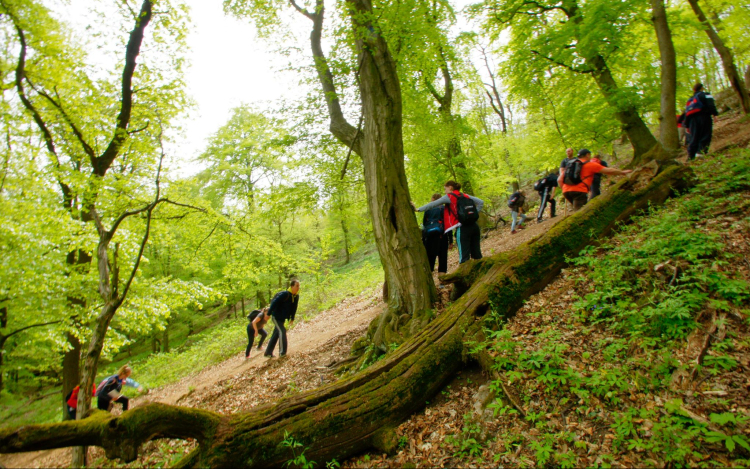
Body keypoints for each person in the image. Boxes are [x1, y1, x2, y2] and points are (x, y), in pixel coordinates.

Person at [414, 181, 484, 264]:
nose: (445, 191)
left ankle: (466, 275)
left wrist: (418, 209)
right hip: (475, 226)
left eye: (445, 189)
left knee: (464, 258)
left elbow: (433, 204)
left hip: (463, 228)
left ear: (450, 188)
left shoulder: (449, 197)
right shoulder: (465, 195)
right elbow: (481, 202)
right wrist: (474, 213)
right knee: (477, 255)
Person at [558, 149, 633, 212]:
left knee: (579, 210)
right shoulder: (591, 165)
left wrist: (565, 189)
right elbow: (608, 171)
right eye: (590, 155)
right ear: (587, 155)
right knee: (581, 213)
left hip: (566, 191)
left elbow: (559, 180)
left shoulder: (570, 165)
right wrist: (622, 172)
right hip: (579, 191)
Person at [264, 280, 300, 358]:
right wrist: (268, 313)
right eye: (297, 286)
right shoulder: (285, 294)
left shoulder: (296, 296)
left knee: (276, 334)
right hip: (276, 317)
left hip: (282, 318)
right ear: (292, 286)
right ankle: (282, 352)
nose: (298, 288)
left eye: (299, 286)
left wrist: (292, 318)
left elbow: (294, 307)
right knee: (282, 331)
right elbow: (274, 303)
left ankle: (268, 353)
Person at [685, 82, 718, 159]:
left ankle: (691, 155)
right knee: (705, 134)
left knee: (694, 137)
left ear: (694, 89)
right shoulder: (705, 94)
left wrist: (687, 125)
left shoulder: (690, 100)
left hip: (692, 120)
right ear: (702, 88)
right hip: (704, 116)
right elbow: (711, 105)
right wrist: (715, 114)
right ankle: (700, 153)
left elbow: (686, 112)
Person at [421, 193, 452, 273]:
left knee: (430, 258)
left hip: (430, 237)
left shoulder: (428, 209)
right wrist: (451, 240)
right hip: (442, 237)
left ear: (433, 199)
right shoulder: (445, 209)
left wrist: (423, 238)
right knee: (442, 258)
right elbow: (448, 225)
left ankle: (430, 277)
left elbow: (424, 224)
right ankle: (442, 280)